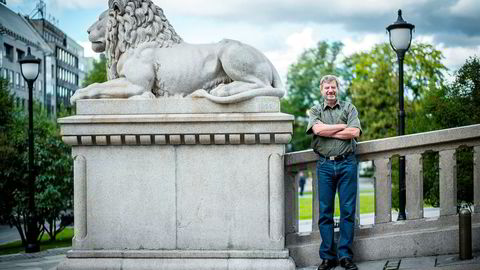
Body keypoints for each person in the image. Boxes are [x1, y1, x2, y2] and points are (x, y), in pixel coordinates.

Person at [306, 75, 362, 270]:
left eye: (333, 87)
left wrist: (327, 130)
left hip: (347, 163)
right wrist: (341, 127)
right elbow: (317, 130)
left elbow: (354, 133)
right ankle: (328, 257)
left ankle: (345, 256)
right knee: (325, 212)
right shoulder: (315, 110)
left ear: (338, 89)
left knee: (347, 211)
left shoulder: (349, 108)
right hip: (325, 166)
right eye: (327, 88)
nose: (330, 90)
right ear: (322, 90)